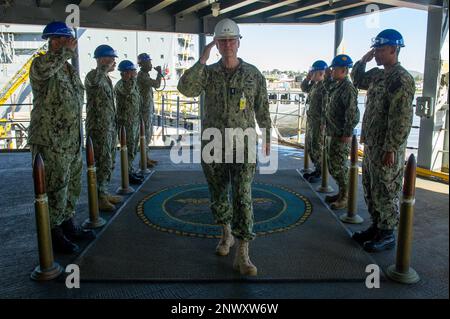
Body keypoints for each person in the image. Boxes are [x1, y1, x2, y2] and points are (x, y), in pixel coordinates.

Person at [177, 18, 271, 276]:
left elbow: (262, 106)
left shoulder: (253, 74)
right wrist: (202, 59)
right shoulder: (207, 73)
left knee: (243, 195)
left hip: (243, 144)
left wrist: (268, 134)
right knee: (218, 194)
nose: (228, 44)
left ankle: (243, 252)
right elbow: (185, 89)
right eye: (222, 40)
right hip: (214, 144)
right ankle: (226, 235)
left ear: (239, 42)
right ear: (216, 44)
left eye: (232, 40)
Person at [28, 21, 94, 254]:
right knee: (55, 188)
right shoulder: (41, 64)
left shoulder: (68, 69)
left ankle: (67, 223)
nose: (67, 44)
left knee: (71, 185)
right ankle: (53, 233)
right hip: (51, 140)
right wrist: (65, 52)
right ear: (53, 41)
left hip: (71, 139)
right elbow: (45, 70)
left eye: (66, 41)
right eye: (62, 40)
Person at [351, 29, 415, 252]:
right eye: (375, 49)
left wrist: (391, 148)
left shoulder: (401, 79)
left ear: (393, 50)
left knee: (386, 189)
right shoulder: (378, 75)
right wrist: (363, 60)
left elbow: (401, 118)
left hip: (387, 147)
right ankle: (376, 226)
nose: (376, 53)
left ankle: (387, 234)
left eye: (379, 49)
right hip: (372, 144)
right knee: (370, 186)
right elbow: (357, 79)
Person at [85, 44, 123, 212]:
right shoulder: (93, 76)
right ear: (102, 59)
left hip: (108, 127)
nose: (114, 62)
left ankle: (104, 192)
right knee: (101, 162)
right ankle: (99, 198)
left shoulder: (107, 78)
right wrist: (103, 67)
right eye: (111, 58)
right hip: (98, 128)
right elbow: (94, 83)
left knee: (108, 161)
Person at [323, 54, 359, 210]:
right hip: (333, 131)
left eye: (334, 69)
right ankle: (341, 192)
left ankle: (345, 197)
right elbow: (326, 87)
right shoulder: (337, 85)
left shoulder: (348, 88)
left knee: (339, 166)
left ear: (344, 70)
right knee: (333, 165)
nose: (332, 71)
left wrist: (348, 133)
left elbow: (352, 112)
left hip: (341, 134)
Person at [115, 60, 144, 185]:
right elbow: (128, 91)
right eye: (133, 71)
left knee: (132, 148)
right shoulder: (122, 84)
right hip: (126, 122)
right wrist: (129, 79)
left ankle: (130, 170)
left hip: (133, 120)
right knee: (127, 149)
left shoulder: (133, 84)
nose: (136, 73)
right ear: (127, 72)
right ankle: (127, 174)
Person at [301, 60, 328, 183]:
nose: (311, 73)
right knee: (311, 147)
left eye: (313, 72)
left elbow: (325, 107)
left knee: (317, 147)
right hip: (312, 122)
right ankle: (317, 169)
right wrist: (307, 78)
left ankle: (320, 173)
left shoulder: (325, 87)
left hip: (319, 123)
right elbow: (304, 87)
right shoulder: (314, 85)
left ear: (321, 72)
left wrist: (323, 124)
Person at [137, 53, 162, 167]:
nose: (150, 65)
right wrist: (159, 73)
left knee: (147, 135)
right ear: (143, 64)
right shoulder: (142, 76)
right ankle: (143, 160)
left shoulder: (144, 75)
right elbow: (157, 84)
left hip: (147, 109)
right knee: (145, 135)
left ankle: (146, 158)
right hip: (144, 110)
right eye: (148, 62)